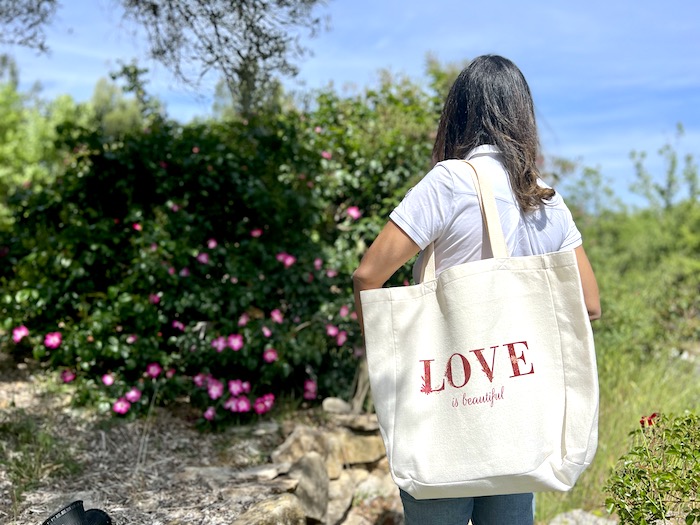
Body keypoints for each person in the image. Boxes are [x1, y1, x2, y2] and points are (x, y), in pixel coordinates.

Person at [352, 54, 601, 525]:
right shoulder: (548, 199)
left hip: (446, 407)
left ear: (458, 115)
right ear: (522, 114)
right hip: (519, 418)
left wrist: (389, 352)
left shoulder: (449, 181)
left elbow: (368, 275)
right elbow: (589, 305)